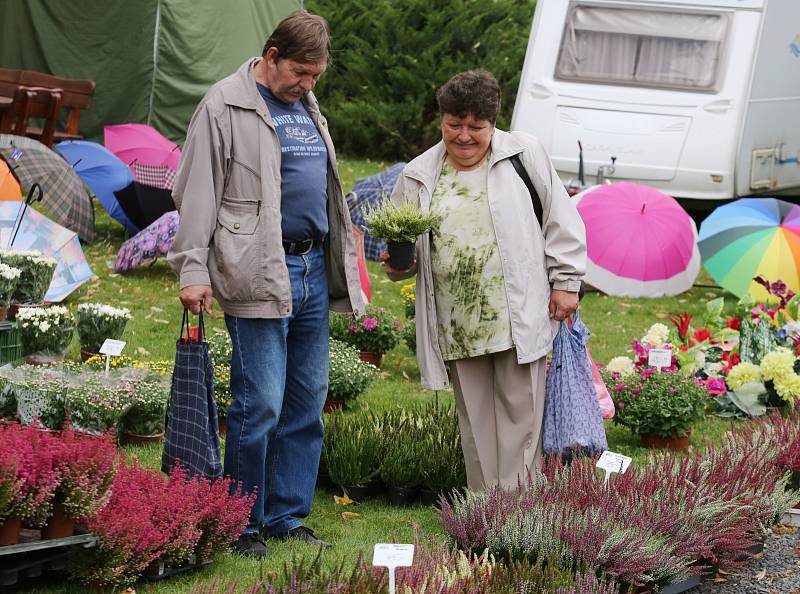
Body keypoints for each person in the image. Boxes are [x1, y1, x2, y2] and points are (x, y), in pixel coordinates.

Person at [168, 10, 365, 558]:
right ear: (271, 56)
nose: (307, 85)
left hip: (310, 273)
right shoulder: (223, 105)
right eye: (300, 73)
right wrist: (192, 269)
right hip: (256, 268)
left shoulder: (305, 105)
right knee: (260, 406)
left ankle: (287, 516)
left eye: (316, 77)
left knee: (307, 402)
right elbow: (197, 192)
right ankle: (242, 521)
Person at [383, 70, 586, 491]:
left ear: (494, 122)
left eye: (476, 126)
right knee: (475, 425)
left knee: (520, 416)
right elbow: (402, 260)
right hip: (458, 324)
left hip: (517, 313)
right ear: (441, 121)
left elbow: (560, 219)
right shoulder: (420, 174)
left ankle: (515, 512)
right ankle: (483, 509)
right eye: (454, 124)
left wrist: (566, 281)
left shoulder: (523, 155)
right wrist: (397, 259)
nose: (464, 136)